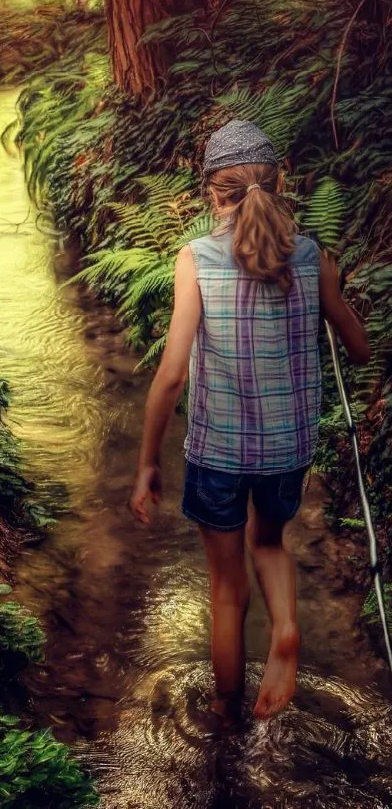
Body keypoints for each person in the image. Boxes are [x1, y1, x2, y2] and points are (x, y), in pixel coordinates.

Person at [129, 120, 370, 722]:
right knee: (269, 541)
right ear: (280, 180)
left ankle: (224, 710)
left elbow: (172, 375)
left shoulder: (196, 260)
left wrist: (148, 462)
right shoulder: (315, 257)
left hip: (217, 454)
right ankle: (285, 630)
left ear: (213, 193)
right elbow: (360, 348)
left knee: (225, 590)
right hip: (288, 450)